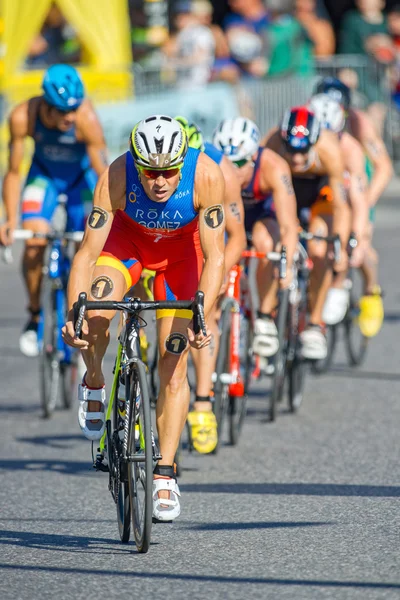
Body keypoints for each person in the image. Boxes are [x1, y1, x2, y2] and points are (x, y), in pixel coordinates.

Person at [62, 115, 226, 522]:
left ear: (182, 161)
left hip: (182, 258)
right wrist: (74, 313)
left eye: (169, 171)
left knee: (174, 366)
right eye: (150, 171)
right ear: (136, 163)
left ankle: (165, 473)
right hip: (127, 245)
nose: (159, 181)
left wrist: (201, 314)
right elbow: (85, 255)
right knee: (97, 314)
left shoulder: (206, 175)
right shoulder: (116, 174)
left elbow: (216, 255)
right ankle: (96, 380)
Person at [0, 64, 107, 357]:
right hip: (43, 177)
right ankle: (35, 314)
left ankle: (82, 309)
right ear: (46, 104)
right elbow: (12, 173)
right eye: (62, 111)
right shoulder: (23, 116)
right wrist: (9, 219)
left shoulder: (87, 119)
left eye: (73, 108)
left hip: (79, 182)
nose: (69, 116)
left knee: (87, 243)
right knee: (34, 242)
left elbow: (104, 174)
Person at [175, 117, 246, 454]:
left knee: (207, 317)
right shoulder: (155, 173)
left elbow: (237, 238)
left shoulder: (221, 171)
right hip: (166, 243)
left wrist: (216, 281)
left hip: (208, 246)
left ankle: (202, 403)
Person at [264, 107, 350, 359]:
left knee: (319, 248)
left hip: (319, 195)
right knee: (274, 242)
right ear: (282, 141)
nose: (297, 158)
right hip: (285, 190)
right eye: (291, 150)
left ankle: (314, 323)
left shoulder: (330, 150)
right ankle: (270, 314)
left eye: (303, 151)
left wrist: (341, 245)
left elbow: (341, 207)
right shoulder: (272, 144)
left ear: (313, 143)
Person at [213, 117, 298, 358]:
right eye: (225, 162)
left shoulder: (274, 166)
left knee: (266, 243)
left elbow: (289, 225)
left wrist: (286, 264)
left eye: (238, 163)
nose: (230, 170)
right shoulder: (213, 169)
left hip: (262, 214)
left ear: (253, 157)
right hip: (229, 216)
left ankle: (264, 315)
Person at [315, 76, 392, 336]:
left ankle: (371, 290)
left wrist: (366, 204)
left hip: (356, 180)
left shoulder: (360, 124)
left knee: (360, 245)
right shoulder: (314, 115)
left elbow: (384, 168)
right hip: (326, 182)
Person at [308, 94, 369, 324]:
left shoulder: (350, 150)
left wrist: (357, 238)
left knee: (359, 252)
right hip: (317, 197)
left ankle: (344, 284)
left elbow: (358, 200)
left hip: (344, 199)